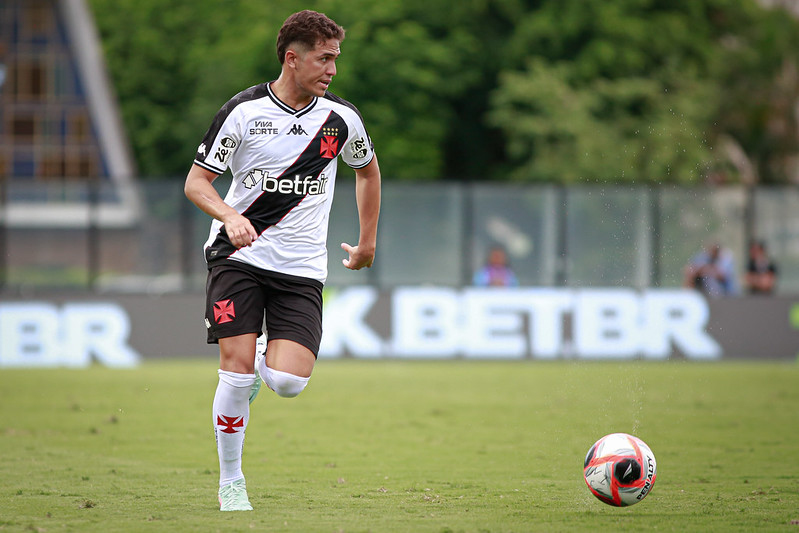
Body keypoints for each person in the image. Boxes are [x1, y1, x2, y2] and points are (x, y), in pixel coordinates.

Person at [184, 10, 381, 512]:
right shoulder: (244, 112)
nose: (333, 69)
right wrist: (229, 216)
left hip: (302, 268)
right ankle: (232, 483)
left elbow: (367, 172)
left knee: (290, 383)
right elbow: (196, 183)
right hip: (238, 257)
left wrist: (365, 243)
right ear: (292, 59)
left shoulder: (342, 119)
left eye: (336, 58)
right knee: (236, 370)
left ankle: (263, 359)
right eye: (324, 58)